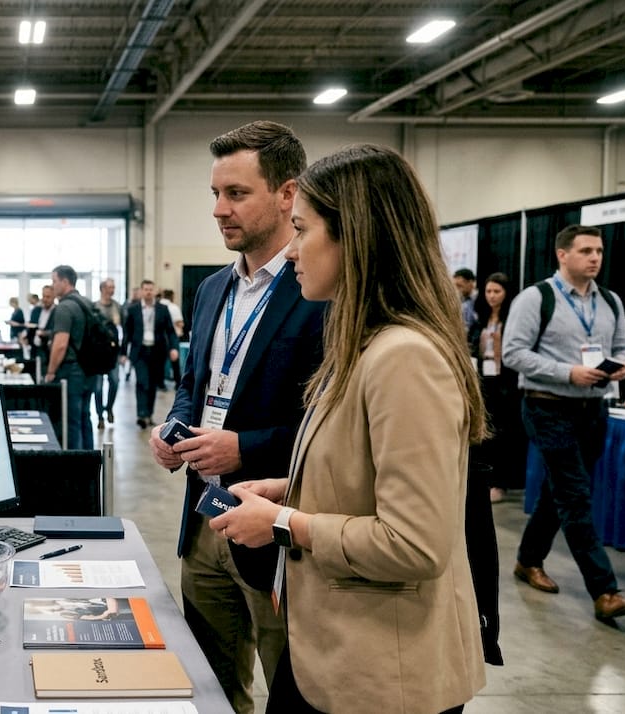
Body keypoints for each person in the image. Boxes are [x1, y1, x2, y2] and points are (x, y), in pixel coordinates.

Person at [204, 144, 486, 713]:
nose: (291, 254)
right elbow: (363, 476)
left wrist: (285, 521)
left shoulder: (404, 357)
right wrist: (288, 489)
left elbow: (413, 544)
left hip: (382, 674)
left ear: (354, 236)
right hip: (332, 654)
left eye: (303, 231)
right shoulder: (360, 346)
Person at [147, 120, 323, 714]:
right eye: (215, 195)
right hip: (204, 519)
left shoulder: (319, 291)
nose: (220, 210)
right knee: (211, 686)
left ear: (287, 194)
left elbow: (335, 424)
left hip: (276, 525)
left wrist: (244, 446)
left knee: (289, 686)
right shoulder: (210, 290)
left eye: (237, 194)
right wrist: (174, 427)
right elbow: (193, 386)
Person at [503, 223, 625, 621]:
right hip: (547, 407)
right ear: (563, 255)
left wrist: (621, 368)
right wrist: (567, 372)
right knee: (575, 495)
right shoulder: (536, 298)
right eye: (586, 251)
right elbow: (513, 353)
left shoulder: (610, 301)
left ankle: (528, 560)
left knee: (558, 492)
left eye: (599, 250)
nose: (595, 257)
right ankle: (605, 591)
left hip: (593, 410)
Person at [467, 272, 525, 503]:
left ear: (506, 293)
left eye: (497, 291)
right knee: (484, 432)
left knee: (504, 434)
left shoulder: (513, 320)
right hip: (484, 381)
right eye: (489, 291)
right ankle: (484, 479)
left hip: (507, 383)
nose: (492, 296)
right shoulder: (480, 318)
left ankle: (502, 482)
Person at [43, 264, 95, 450]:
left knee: (71, 421)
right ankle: (90, 463)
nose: (53, 285)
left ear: (65, 282)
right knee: (84, 417)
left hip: (72, 372)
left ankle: (77, 468)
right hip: (90, 369)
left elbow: (60, 344)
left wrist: (50, 372)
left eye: (54, 281)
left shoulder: (64, 307)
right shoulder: (87, 303)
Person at [123, 280, 178, 429]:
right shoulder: (133, 309)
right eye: (145, 289)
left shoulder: (162, 309)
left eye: (150, 289)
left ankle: (149, 414)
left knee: (153, 383)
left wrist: (174, 348)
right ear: (141, 291)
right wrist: (123, 353)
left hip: (157, 351)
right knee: (142, 381)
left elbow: (170, 330)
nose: (148, 292)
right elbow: (127, 332)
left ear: (154, 291)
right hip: (139, 352)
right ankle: (141, 414)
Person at [93, 278, 123, 428]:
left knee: (115, 381)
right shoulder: (95, 307)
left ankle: (109, 407)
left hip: (113, 352)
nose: (112, 290)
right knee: (97, 387)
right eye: (109, 287)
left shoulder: (117, 307)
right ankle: (99, 416)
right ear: (102, 289)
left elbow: (124, 328)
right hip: (98, 354)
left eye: (113, 287)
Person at [160, 288, 185, 389]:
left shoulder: (158, 306)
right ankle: (177, 382)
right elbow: (180, 323)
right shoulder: (174, 307)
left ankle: (160, 383)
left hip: (160, 338)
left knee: (161, 362)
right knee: (175, 361)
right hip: (172, 337)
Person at [29, 285, 55, 379]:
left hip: (47, 351)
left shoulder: (57, 311)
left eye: (48, 297)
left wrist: (45, 333)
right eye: (43, 296)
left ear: (54, 296)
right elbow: (31, 325)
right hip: (34, 350)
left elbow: (56, 331)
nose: (45, 299)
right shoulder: (36, 310)